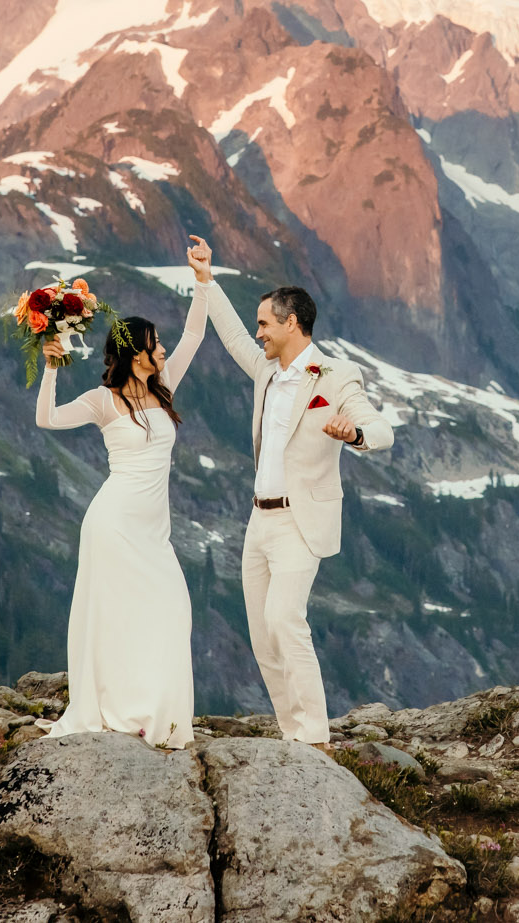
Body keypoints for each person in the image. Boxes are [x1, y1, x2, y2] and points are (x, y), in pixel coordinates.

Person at [187, 233, 393, 746]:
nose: (258, 333)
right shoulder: (265, 370)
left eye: (265, 324)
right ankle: (292, 734)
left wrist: (355, 434)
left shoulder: (337, 374)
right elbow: (233, 336)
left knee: (285, 619)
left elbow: (382, 430)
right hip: (259, 519)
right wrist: (206, 279)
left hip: (302, 521)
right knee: (261, 634)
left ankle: (316, 738)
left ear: (291, 323)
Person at [32, 264, 212, 747]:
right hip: (112, 524)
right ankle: (120, 711)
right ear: (136, 353)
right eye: (155, 343)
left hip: (154, 532)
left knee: (172, 610)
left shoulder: (164, 385)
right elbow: (47, 419)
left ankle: (155, 713)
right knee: (115, 617)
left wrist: (202, 280)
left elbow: (195, 332)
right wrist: (51, 364)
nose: (163, 349)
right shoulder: (103, 400)